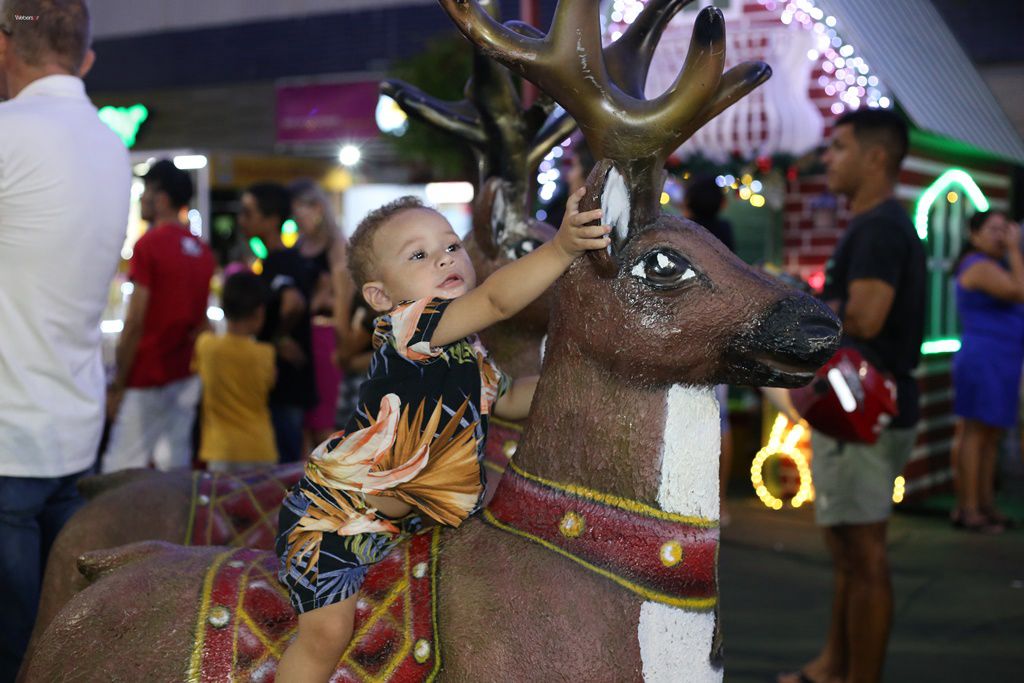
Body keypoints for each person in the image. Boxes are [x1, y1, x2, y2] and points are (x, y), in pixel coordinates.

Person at [274, 189, 608, 682]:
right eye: (418, 255)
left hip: (405, 525)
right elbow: (495, 299)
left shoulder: (468, 353)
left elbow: (510, 397)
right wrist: (560, 248)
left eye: (451, 246)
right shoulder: (411, 326)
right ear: (381, 297)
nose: (443, 259)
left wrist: (577, 380)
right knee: (326, 633)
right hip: (335, 524)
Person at [0, 1, 130, 679]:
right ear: (83, 57)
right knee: (52, 645)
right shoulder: (111, 144)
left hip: (8, 438)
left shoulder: (10, 132)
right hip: (69, 432)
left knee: (14, 648)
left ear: (3, 48)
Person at [780, 109, 925, 683]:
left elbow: (865, 315)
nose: (828, 159)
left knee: (864, 556)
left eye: (839, 148)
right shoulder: (873, 224)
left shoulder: (880, 227)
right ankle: (833, 667)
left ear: (876, 157)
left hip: (867, 413)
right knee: (849, 551)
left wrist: (801, 305)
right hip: (858, 411)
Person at [102, 159, 215, 473]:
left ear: (161, 198)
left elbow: (136, 319)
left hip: (148, 372)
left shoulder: (148, 245)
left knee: (120, 471)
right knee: (174, 464)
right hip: (185, 372)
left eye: (145, 192)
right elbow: (203, 321)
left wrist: (118, 383)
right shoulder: (202, 251)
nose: (140, 199)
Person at [950, 211, 1024, 532]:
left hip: (1002, 359)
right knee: (975, 433)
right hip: (983, 358)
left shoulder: (995, 264)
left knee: (991, 435)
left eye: (1004, 229)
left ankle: (985, 504)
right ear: (974, 234)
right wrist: (1016, 250)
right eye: (993, 229)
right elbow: (1018, 291)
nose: (1000, 236)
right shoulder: (977, 266)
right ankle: (968, 508)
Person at [237, 182, 316, 464]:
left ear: (271, 220)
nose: (241, 221)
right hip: (284, 383)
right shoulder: (283, 260)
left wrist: (279, 339)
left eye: (248, 213)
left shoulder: (280, 262)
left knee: (283, 469)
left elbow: (293, 302)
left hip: (285, 384)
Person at [682, 174, 735, 523]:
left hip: (686, 334)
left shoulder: (684, 235)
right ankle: (721, 501)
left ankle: (687, 499)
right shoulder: (726, 235)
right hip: (720, 334)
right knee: (720, 420)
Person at [289, 180, 355, 448]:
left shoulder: (336, 244)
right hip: (303, 336)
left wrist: (321, 299)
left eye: (298, 215)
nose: (296, 222)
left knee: (325, 423)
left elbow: (344, 295)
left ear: (317, 208)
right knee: (305, 423)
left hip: (327, 335)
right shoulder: (300, 244)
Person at [193, 271, 278, 471]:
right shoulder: (265, 354)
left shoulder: (206, 346)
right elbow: (270, 383)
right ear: (259, 313)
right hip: (259, 448)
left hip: (220, 450)